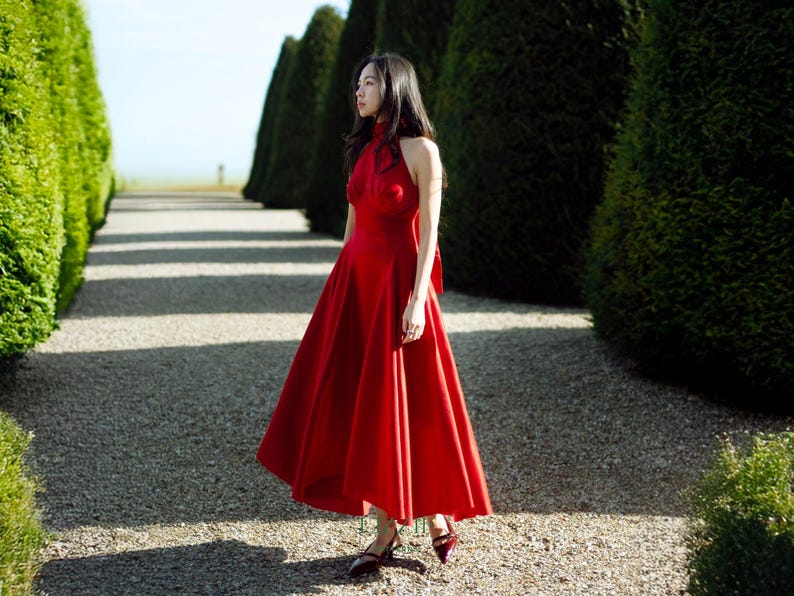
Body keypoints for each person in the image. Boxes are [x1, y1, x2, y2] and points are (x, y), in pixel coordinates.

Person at [256, 52, 492, 577]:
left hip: (398, 286)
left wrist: (415, 299)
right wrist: (338, 293)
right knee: (364, 407)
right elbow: (351, 225)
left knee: (408, 405)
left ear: (394, 87)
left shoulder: (422, 151)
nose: (358, 91)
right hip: (355, 288)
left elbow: (429, 232)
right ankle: (401, 524)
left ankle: (417, 519)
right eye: (357, 83)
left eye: (368, 83)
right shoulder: (361, 149)